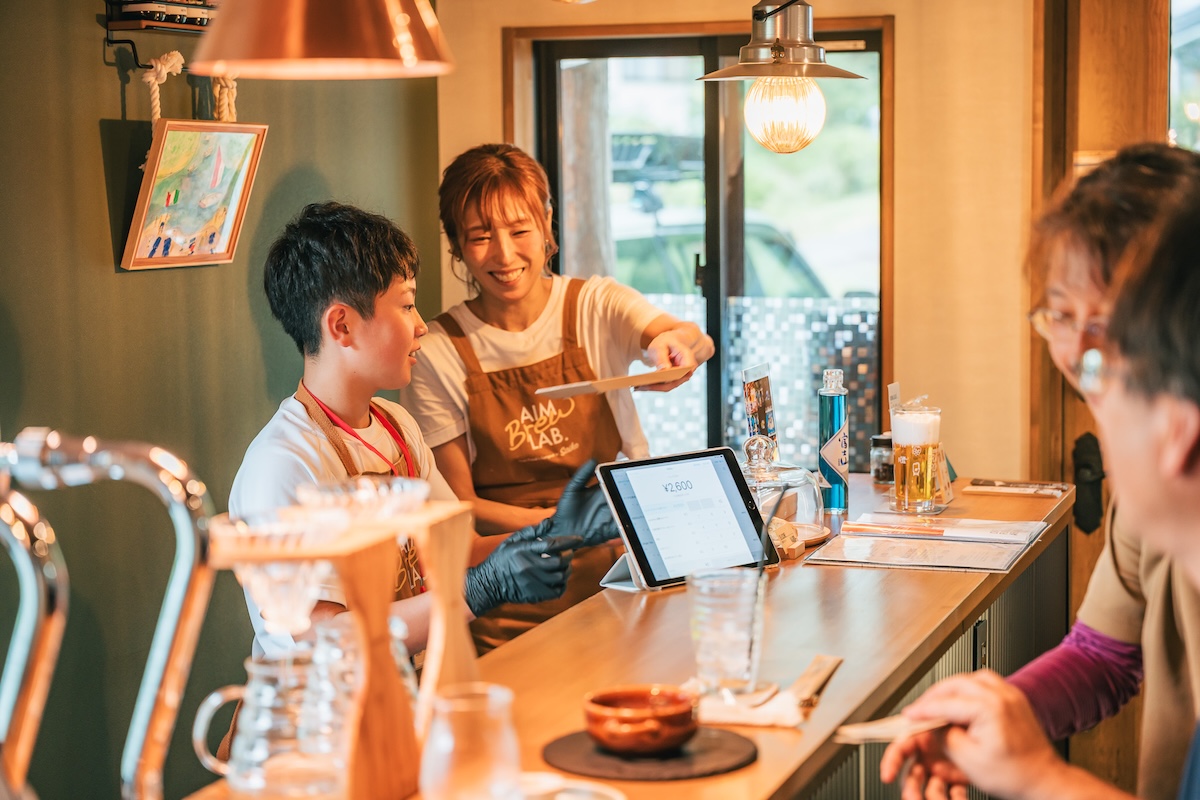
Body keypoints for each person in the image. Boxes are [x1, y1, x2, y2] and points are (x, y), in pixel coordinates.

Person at [879, 146, 1200, 799]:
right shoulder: (1152, 501)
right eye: (1060, 312)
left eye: (1108, 319)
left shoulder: (1163, 464)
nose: (1080, 349)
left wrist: (1041, 779)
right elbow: (1104, 655)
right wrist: (998, 720)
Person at [229, 201, 603, 659]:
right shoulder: (283, 464)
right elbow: (325, 637)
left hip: (413, 694)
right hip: (323, 721)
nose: (422, 325)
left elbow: (455, 549)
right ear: (341, 325)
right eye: (406, 305)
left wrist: (552, 531)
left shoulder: (396, 425)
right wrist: (477, 591)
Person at [402, 143, 715, 650]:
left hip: (624, 577)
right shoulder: (437, 351)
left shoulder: (595, 306)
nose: (504, 255)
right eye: (480, 237)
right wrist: (564, 526)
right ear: (457, 245)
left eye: (520, 230)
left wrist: (674, 348)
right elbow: (461, 509)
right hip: (509, 602)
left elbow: (689, 336)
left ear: (547, 224)